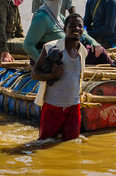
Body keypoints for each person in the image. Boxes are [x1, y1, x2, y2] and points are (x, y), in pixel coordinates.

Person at [31, 13, 88, 142]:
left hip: (74, 106)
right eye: (72, 26)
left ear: (83, 30)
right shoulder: (51, 47)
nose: (76, 29)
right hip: (52, 106)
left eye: (80, 26)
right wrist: (52, 75)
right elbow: (34, 74)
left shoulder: (83, 52)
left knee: (71, 143)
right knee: (45, 143)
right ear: (64, 29)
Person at [24, 0, 101, 63]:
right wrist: (42, 63)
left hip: (70, 53)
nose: (57, 0)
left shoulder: (58, 16)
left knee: (100, 51)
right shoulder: (42, 18)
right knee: (100, 56)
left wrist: (94, 43)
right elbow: (28, 45)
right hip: (54, 58)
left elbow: (80, 31)